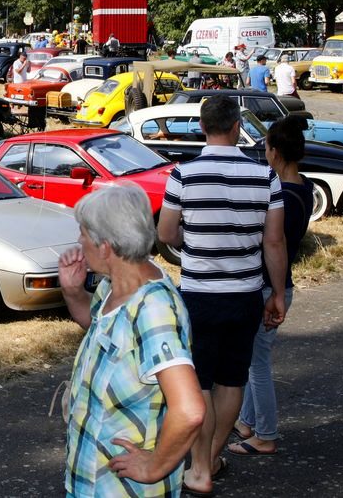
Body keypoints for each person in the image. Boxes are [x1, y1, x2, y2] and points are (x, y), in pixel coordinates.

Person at [158, 95, 287, 496]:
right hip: (245, 294)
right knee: (233, 381)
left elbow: (165, 234)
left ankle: (199, 468)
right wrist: (277, 294)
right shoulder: (266, 177)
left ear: (202, 127)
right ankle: (212, 457)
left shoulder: (183, 175)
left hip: (198, 294)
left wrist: (190, 241)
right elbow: (275, 241)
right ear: (236, 128)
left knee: (199, 384)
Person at [60, 185, 205, 497]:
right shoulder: (115, 286)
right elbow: (100, 328)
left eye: (83, 233)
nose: (79, 241)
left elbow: (190, 409)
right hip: (91, 480)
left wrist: (155, 466)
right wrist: (73, 292)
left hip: (124, 489)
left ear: (105, 246)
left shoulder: (153, 309)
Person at [229, 116, 312, 458]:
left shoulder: (284, 197)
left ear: (275, 152)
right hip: (280, 284)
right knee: (254, 357)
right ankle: (247, 422)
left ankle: (265, 433)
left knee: (256, 363)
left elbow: (270, 243)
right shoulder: (303, 185)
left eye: (265, 147)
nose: (263, 152)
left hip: (268, 287)